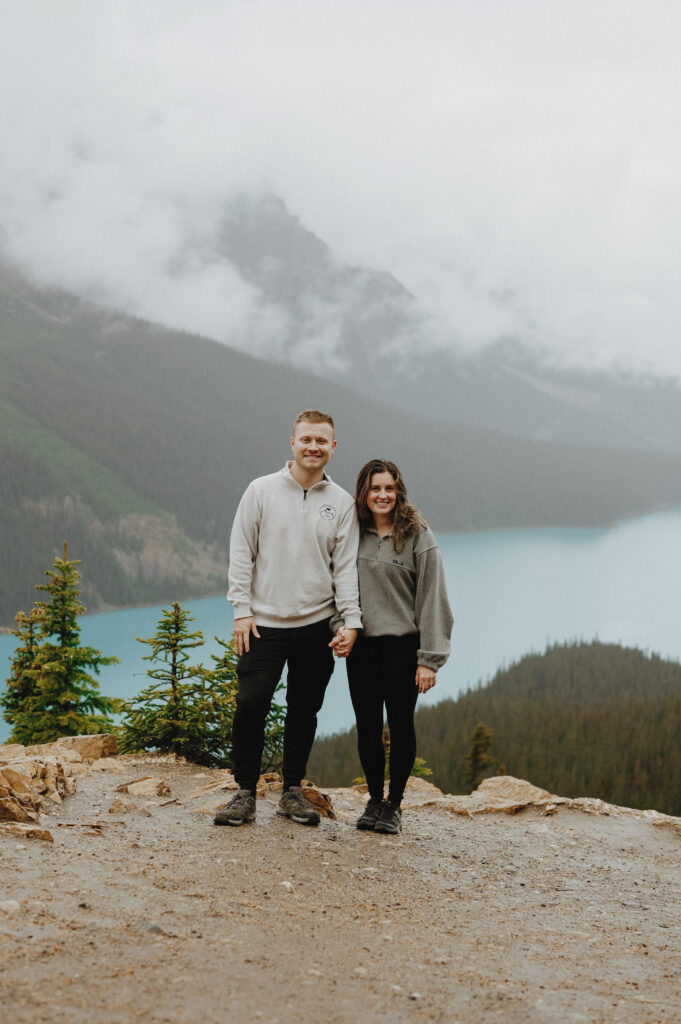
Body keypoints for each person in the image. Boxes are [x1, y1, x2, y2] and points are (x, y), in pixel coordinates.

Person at [215, 410, 362, 827]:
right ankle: (244, 793)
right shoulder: (261, 491)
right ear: (292, 443)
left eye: (322, 441)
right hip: (262, 625)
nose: (313, 447)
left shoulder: (341, 503)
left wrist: (350, 622)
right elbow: (241, 552)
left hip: (317, 626)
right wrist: (240, 611)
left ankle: (292, 792)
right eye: (306, 439)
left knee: (304, 710)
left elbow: (345, 568)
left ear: (333, 448)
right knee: (250, 705)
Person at [331, 458, 453, 835]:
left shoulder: (418, 536)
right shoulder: (352, 533)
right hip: (362, 650)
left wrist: (429, 659)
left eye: (388, 488)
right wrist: (340, 627)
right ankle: (372, 801)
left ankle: (395, 805)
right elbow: (337, 588)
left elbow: (433, 600)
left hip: (403, 649)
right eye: (374, 488)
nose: (382, 495)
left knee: (401, 727)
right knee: (367, 728)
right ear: (363, 493)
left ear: (398, 491)